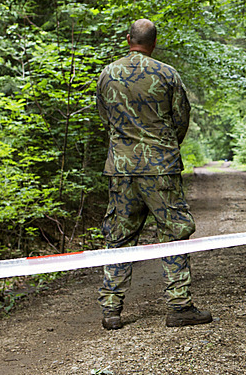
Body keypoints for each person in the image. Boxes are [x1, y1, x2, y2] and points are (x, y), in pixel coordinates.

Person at [96, 19, 211, 330]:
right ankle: (179, 306)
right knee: (173, 234)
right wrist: (164, 146)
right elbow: (181, 118)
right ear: (154, 42)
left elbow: (105, 117)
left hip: (121, 170)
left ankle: (111, 309)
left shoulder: (108, 74)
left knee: (119, 236)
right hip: (160, 168)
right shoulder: (167, 73)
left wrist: (124, 145)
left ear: (128, 38)